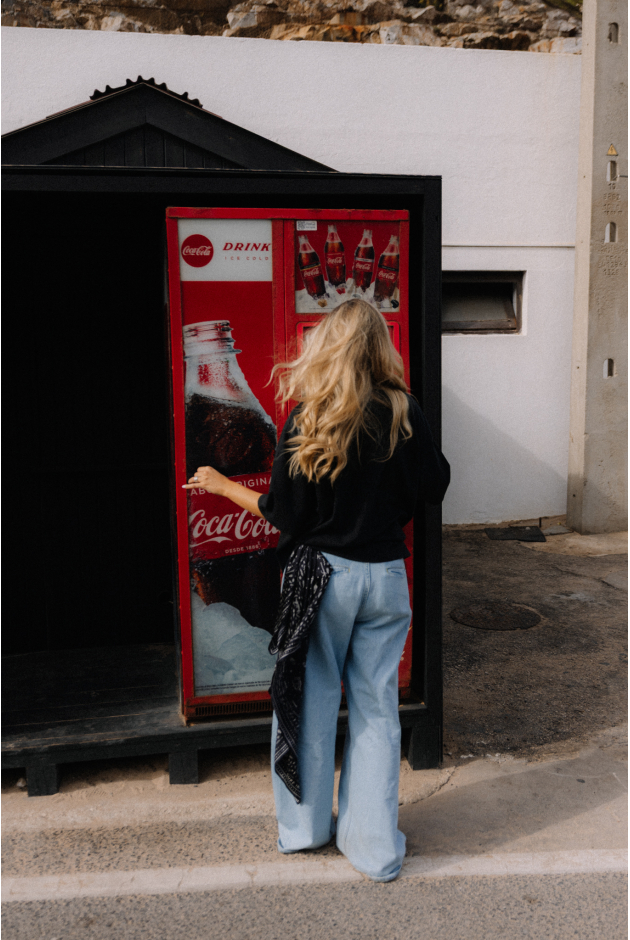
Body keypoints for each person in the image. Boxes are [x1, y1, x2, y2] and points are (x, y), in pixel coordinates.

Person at [184, 298, 450, 882]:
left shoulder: (310, 416)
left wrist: (225, 487)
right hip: (386, 578)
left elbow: (286, 514)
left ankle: (305, 832)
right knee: (378, 708)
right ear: (380, 349)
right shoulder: (405, 409)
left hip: (322, 581)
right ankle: (376, 850)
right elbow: (435, 485)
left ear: (325, 347)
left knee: (308, 702)